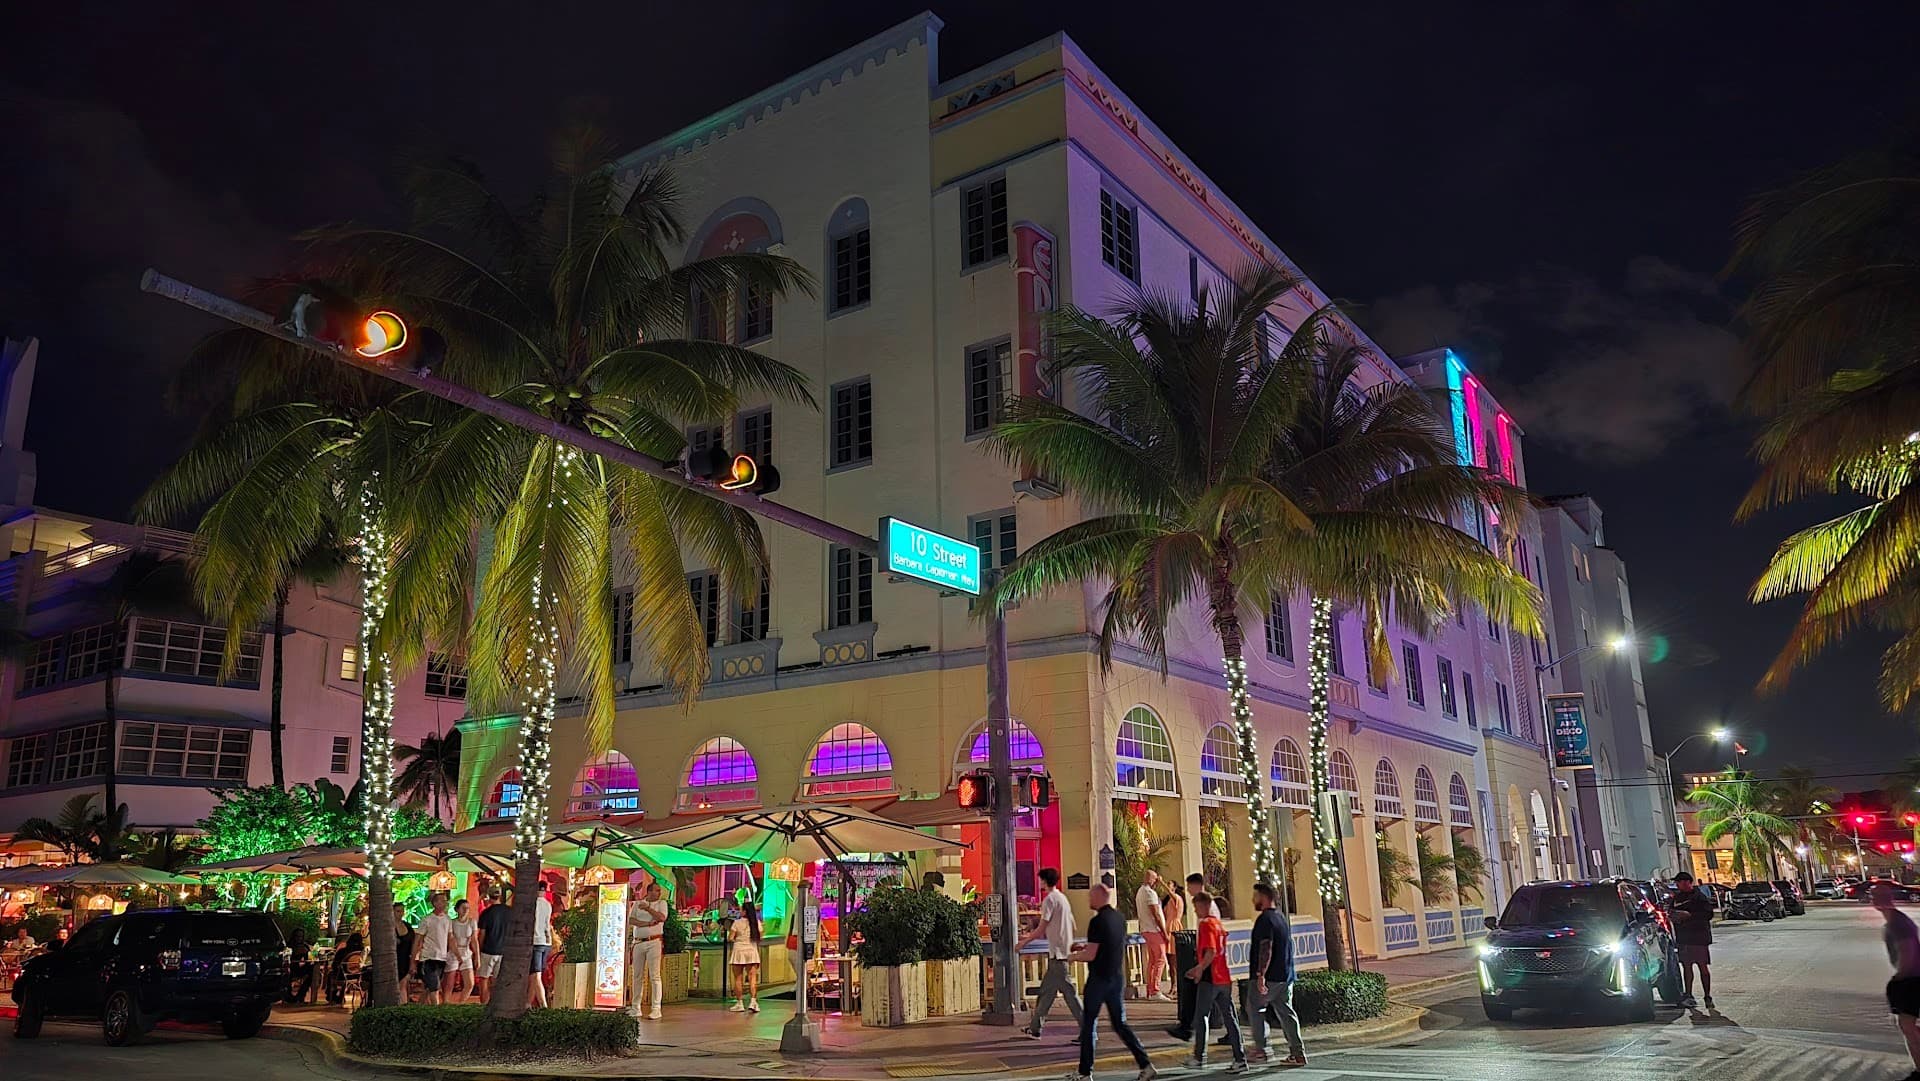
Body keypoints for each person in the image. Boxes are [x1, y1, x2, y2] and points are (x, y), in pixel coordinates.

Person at [1065, 883, 1156, 1081]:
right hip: (1116, 978)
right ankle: (1146, 1064)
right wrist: (1085, 947)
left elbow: (1091, 955)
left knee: (1089, 1024)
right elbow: (1107, 945)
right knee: (1120, 1024)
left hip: (1099, 979)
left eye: (1091, 896)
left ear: (1099, 898)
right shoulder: (1119, 918)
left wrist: (1072, 957)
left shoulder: (1097, 922)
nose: (1089, 900)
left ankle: (1084, 1071)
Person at [1185, 892, 1246, 1073]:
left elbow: (1210, 951)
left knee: (1202, 1016)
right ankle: (1239, 1057)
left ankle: (1199, 1057)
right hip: (1224, 977)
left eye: (1196, 907)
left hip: (1210, 978)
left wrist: (1199, 969)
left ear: (1203, 905)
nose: (1195, 911)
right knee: (1230, 1018)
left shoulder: (1206, 925)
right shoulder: (1218, 924)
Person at [1018, 868, 1083, 1038]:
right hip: (1060, 953)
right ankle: (1035, 1027)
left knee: (1070, 995)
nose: (1039, 882)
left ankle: (1089, 1028)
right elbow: (1073, 924)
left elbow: (1041, 928)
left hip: (1059, 955)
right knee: (1046, 993)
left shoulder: (1049, 901)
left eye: (1040, 880)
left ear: (1044, 881)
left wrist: (1024, 941)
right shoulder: (1063, 898)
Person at [1246, 882, 1305, 1066]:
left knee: (1255, 1008)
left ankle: (1262, 1050)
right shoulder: (1281, 918)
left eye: (1255, 896)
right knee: (1286, 1012)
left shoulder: (1265, 920)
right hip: (1286, 976)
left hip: (1270, 977)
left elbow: (1266, 947)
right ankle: (1298, 1052)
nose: (1253, 900)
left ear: (1264, 897)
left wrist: (1260, 974)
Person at [1876, 882, 1920, 1081]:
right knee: (1910, 1027)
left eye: (1879, 896)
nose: (1876, 900)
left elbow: (1908, 951)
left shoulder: (1897, 923)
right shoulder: (1894, 921)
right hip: (1911, 979)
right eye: (1874, 896)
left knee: (1908, 1027)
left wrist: (1899, 979)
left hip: (1912, 980)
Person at [1669, 871, 1715, 1009]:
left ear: (1688, 882)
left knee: (1702, 967)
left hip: (1698, 937)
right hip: (1684, 937)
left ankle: (1707, 996)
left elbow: (1708, 914)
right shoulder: (1677, 897)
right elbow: (1670, 911)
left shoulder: (1699, 897)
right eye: (1677, 882)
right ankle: (1688, 994)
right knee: (1686, 967)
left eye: (1680, 882)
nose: (1678, 885)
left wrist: (1689, 915)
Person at [628, 879, 668, 1020]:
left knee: (654, 975)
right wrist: (646, 923)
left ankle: (656, 1008)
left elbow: (662, 917)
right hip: (639, 942)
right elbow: (631, 920)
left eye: (659, 891)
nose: (659, 893)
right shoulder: (638, 904)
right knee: (637, 975)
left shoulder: (661, 904)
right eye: (656, 890)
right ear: (649, 891)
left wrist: (649, 909)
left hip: (654, 941)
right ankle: (635, 1007)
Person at [1135, 870, 1171, 1002]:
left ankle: (1151, 989)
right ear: (1151, 880)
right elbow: (1155, 913)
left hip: (1146, 929)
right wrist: (1164, 932)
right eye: (1155, 880)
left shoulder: (1140, 891)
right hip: (1153, 930)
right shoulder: (1149, 893)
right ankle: (1155, 990)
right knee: (1160, 959)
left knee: (1152, 960)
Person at [412, 894, 453, 1005]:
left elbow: (450, 938)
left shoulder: (447, 919)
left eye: (446, 901)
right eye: (442, 901)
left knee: (429, 987)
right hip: (428, 958)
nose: (445, 904)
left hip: (441, 958)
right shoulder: (427, 920)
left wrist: (457, 955)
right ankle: (436, 1012)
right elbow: (418, 940)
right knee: (434, 987)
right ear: (435, 903)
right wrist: (413, 961)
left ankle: (418, 1008)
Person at [474, 887, 511, 1004]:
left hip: (488, 950)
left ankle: (483, 1004)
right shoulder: (509, 912)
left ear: (489, 897)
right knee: (497, 980)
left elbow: (482, 935)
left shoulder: (486, 913)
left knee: (484, 979)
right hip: (504, 951)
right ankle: (494, 1004)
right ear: (500, 896)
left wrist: (478, 951)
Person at [728, 899, 763, 1012]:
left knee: (738, 978)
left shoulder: (737, 923)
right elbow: (760, 937)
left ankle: (740, 1003)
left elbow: (731, 938)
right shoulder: (756, 922)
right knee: (752, 979)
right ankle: (753, 1002)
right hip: (752, 951)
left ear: (744, 911)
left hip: (739, 951)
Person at [528, 885, 554, 1009]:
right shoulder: (548, 905)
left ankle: (544, 1005)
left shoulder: (532, 905)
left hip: (535, 941)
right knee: (535, 975)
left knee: (535, 975)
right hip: (546, 942)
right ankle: (528, 1003)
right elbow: (547, 924)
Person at [447, 898, 477, 1004]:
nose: (465, 910)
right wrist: (458, 956)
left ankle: (461, 1003)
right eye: (463, 908)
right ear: (457, 909)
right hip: (453, 952)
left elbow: (474, 940)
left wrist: (477, 956)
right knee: (449, 983)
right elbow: (451, 940)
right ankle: (446, 1003)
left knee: (470, 983)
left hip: (466, 951)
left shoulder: (472, 922)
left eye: (467, 908)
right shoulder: (452, 922)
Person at [327, 930, 364, 1004]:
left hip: (341, 975)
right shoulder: (361, 953)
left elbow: (335, 965)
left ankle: (331, 995)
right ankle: (340, 995)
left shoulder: (343, 951)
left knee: (331, 974)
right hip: (356, 975)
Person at [392, 903, 416, 1001]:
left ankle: (403, 1006)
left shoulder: (407, 926)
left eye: (402, 911)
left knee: (403, 985)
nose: (400, 913)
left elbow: (414, 941)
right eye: (398, 911)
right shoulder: (389, 927)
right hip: (394, 960)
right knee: (398, 985)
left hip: (406, 959)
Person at [285, 928, 316, 1004]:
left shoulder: (305, 946)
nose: (299, 938)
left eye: (301, 937)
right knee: (286, 975)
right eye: (297, 936)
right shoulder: (289, 946)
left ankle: (301, 995)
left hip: (302, 968)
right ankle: (289, 996)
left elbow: (309, 957)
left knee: (313, 972)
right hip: (291, 968)